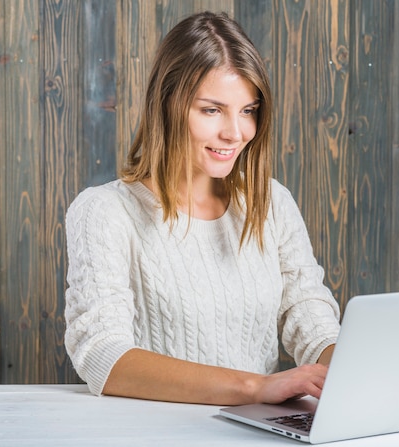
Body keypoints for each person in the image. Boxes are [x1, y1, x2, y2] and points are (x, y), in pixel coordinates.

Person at [64, 11, 340, 406]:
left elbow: (309, 317)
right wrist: (255, 387)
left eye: (248, 110)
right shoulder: (105, 212)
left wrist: (346, 372)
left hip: (251, 432)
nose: (235, 132)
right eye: (212, 110)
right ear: (168, 104)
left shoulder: (271, 201)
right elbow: (104, 356)